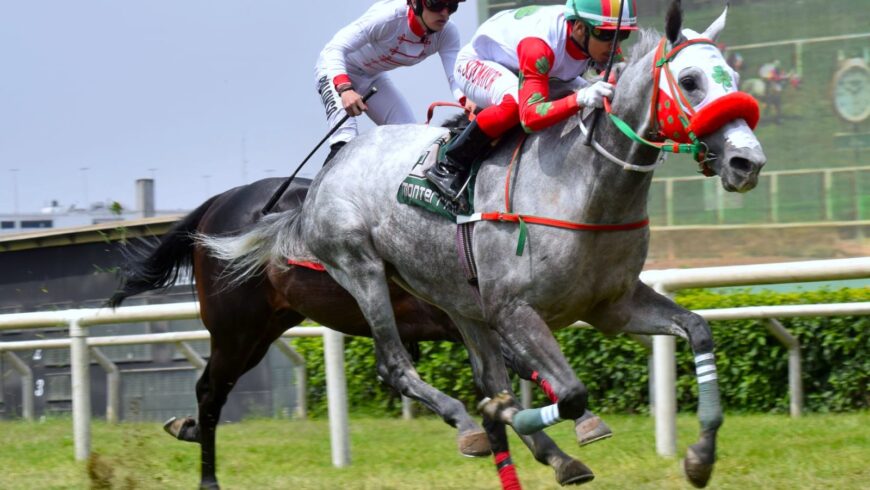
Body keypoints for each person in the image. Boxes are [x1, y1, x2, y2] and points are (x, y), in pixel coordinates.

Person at [427, 0, 637, 201]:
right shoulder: (539, 45)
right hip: (478, 62)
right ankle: (449, 164)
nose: (615, 45)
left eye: (622, 35)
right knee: (516, 104)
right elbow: (530, 118)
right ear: (580, 28)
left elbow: (618, 78)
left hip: (528, 66)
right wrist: (581, 98)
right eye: (607, 35)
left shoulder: (597, 39)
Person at [315, 0, 472, 163]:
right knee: (344, 142)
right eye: (436, 4)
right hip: (336, 71)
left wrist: (468, 103)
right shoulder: (389, 17)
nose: (445, 13)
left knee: (412, 140)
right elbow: (334, 48)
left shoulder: (447, 33)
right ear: (415, 3)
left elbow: (456, 77)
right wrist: (345, 88)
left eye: (452, 6)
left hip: (373, 77)